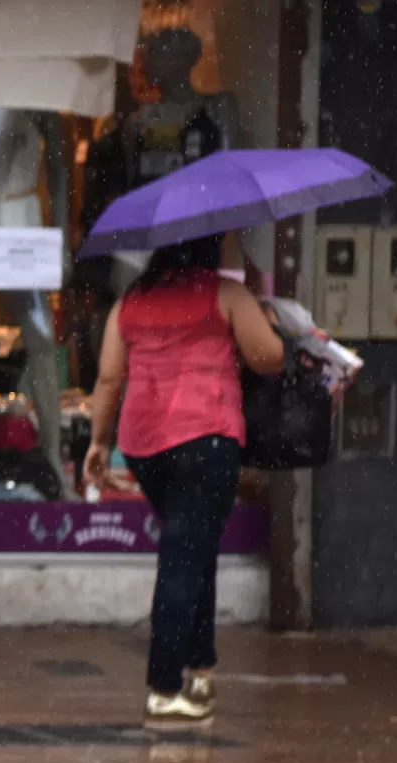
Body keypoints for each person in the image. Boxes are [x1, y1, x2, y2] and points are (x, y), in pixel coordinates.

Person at [84, 234, 283, 729]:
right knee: (182, 558)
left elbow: (109, 378)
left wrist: (98, 444)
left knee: (194, 548)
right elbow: (270, 359)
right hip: (205, 438)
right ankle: (164, 689)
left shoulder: (131, 300)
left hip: (146, 444)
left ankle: (201, 670)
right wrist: (268, 319)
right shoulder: (224, 294)